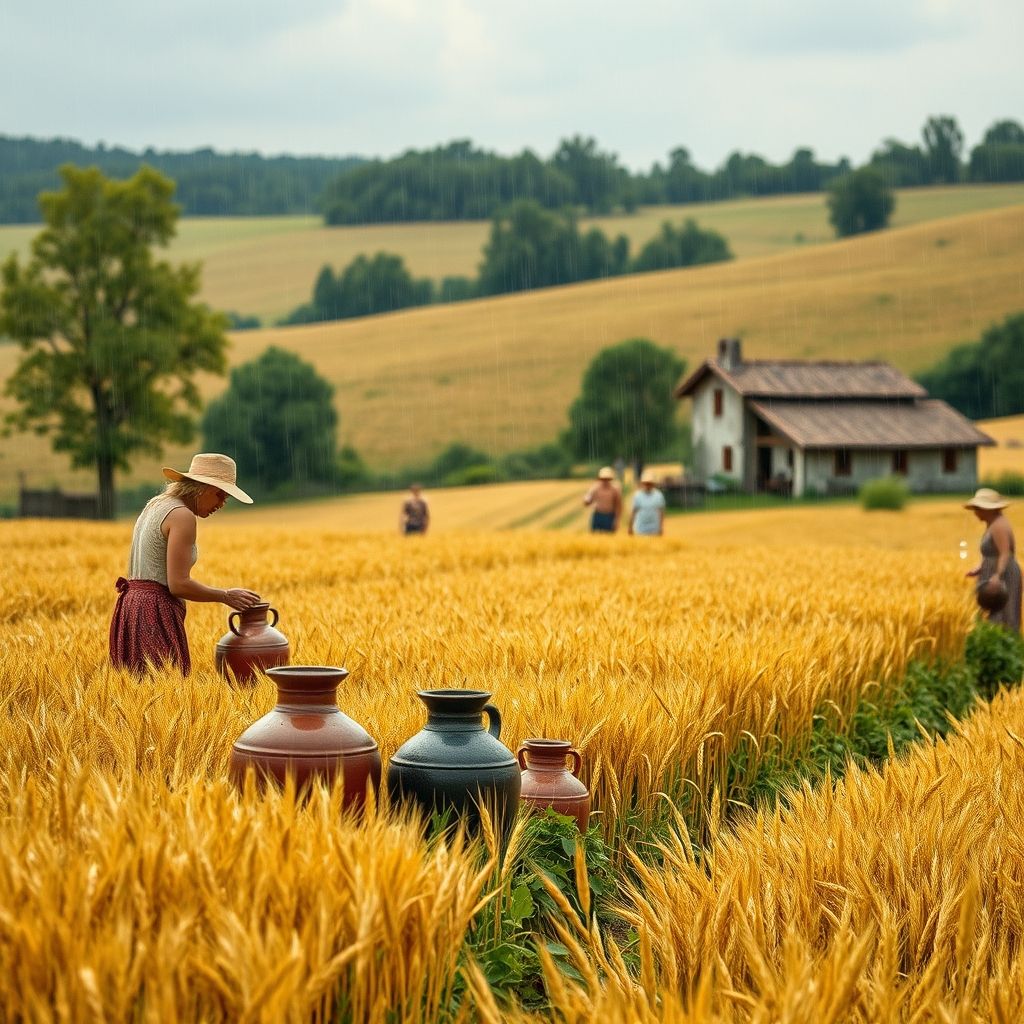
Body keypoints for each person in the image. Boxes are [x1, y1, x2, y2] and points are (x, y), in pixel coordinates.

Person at [109, 453, 262, 675]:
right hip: (154, 614)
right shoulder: (182, 516)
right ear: (204, 488)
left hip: (131, 609)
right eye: (221, 495)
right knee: (163, 692)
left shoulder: (157, 504)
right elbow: (178, 585)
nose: (222, 504)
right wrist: (226, 596)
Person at [965, 487, 1021, 632]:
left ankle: (1005, 649)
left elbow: (1004, 553)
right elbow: (992, 553)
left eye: (978, 508)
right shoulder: (993, 523)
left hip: (1004, 574)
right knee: (996, 616)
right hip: (998, 571)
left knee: (1005, 617)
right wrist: (980, 567)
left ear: (988, 509)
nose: (975, 512)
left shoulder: (999, 526)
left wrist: (997, 576)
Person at [583, 467, 622, 533]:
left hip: (609, 516)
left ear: (610, 479)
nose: (605, 481)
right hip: (598, 515)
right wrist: (587, 500)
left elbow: (618, 506)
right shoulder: (595, 488)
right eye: (603, 479)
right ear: (600, 479)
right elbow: (587, 502)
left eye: (607, 479)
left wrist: (616, 520)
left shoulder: (615, 490)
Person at [629, 470, 666, 536]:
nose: (647, 485)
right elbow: (633, 512)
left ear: (653, 484)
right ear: (642, 483)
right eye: (646, 483)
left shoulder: (658, 495)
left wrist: (661, 527)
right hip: (640, 529)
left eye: (649, 483)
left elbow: (661, 512)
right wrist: (630, 527)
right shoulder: (637, 496)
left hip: (654, 529)